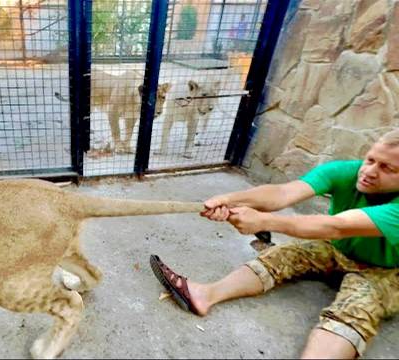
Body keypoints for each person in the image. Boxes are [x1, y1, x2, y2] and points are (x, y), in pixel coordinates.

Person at [150, 128, 399, 359]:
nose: (370, 171)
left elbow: (336, 226)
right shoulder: (348, 171)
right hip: (338, 248)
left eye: (388, 168)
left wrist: (263, 221)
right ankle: (205, 295)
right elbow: (283, 193)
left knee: (355, 310)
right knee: (284, 254)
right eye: (370, 159)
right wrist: (229, 199)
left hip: (385, 271)